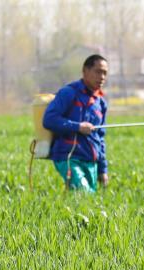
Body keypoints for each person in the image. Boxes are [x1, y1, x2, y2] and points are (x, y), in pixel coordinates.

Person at [42, 55, 109, 192]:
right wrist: (78, 127)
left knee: (86, 200)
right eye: (98, 72)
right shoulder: (69, 93)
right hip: (69, 158)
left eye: (105, 73)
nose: (102, 77)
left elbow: (100, 138)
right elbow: (49, 119)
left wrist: (103, 169)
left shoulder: (101, 103)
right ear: (85, 71)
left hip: (91, 161)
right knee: (83, 193)